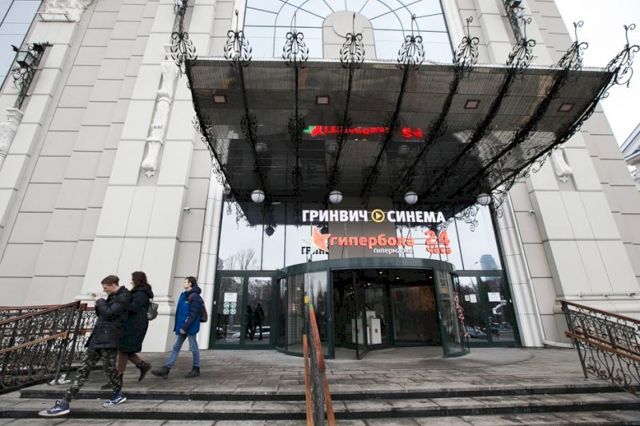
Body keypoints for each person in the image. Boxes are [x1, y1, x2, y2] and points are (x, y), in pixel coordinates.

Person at [39, 275, 131, 417]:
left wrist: (100, 301)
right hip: (98, 338)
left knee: (110, 369)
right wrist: (99, 303)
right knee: (83, 370)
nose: (104, 290)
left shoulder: (124, 296)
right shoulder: (113, 297)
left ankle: (117, 393)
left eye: (105, 288)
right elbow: (103, 314)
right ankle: (65, 402)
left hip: (109, 339)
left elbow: (109, 313)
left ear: (113, 284)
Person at [101, 271, 153, 389]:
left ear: (137, 280)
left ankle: (118, 378)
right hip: (131, 323)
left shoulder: (141, 294)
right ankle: (142, 365)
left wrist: (121, 303)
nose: (131, 281)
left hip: (135, 325)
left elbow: (133, 307)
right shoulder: (137, 292)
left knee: (123, 349)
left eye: (132, 278)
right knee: (125, 349)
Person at [151, 276, 203, 379]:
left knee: (193, 347)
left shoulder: (195, 296)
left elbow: (193, 314)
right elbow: (180, 312)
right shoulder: (183, 295)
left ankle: (196, 368)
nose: (183, 283)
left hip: (190, 327)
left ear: (190, 284)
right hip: (182, 326)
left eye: (185, 282)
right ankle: (167, 368)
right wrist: (179, 326)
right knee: (176, 347)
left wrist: (185, 327)